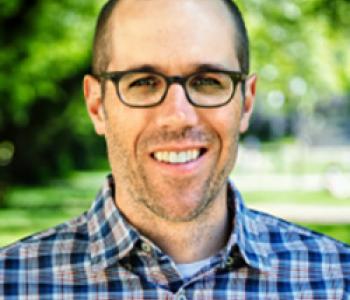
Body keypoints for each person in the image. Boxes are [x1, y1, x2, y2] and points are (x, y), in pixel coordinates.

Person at [1, 0, 349, 298]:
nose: (177, 117)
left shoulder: (338, 281)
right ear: (96, 106)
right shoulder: (11, 285)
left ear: (246, 103)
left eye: (207, 82)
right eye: (143, 83)